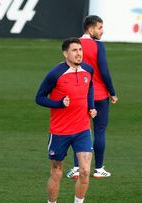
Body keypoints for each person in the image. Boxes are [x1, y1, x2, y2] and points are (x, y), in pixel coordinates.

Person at [36, 38, 97, 203]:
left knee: (84, 171)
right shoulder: (55, 74)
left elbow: (90, 86)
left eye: (80, 50)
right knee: (57, 172)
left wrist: (91, 107)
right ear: (65, 53)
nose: (79, 53)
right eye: (75, 50)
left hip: (82, 129)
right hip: (60, 132)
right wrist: (59, 104)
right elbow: (39, 98)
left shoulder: (88, 70)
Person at [66, 15, 118, 179]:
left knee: (79, 131)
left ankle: (76, 168)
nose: (102, 31)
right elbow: (104, 71)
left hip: (80, 94)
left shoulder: (75, 45)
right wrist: (113, 92)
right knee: (100, 131)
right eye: (100, 28)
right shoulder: (98, 46)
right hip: (100, 94)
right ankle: (98, 169)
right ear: (90, 29)